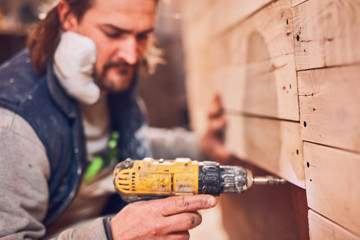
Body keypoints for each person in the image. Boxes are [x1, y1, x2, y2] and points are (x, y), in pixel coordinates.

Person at [0, 0, 225, 239]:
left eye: (143, 36)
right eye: (114, 33)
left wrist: (199, 145)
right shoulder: (14, 126)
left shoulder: (107, 75)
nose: (130, 56)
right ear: (68, 17)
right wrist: (110, 235)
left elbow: (118, 142)